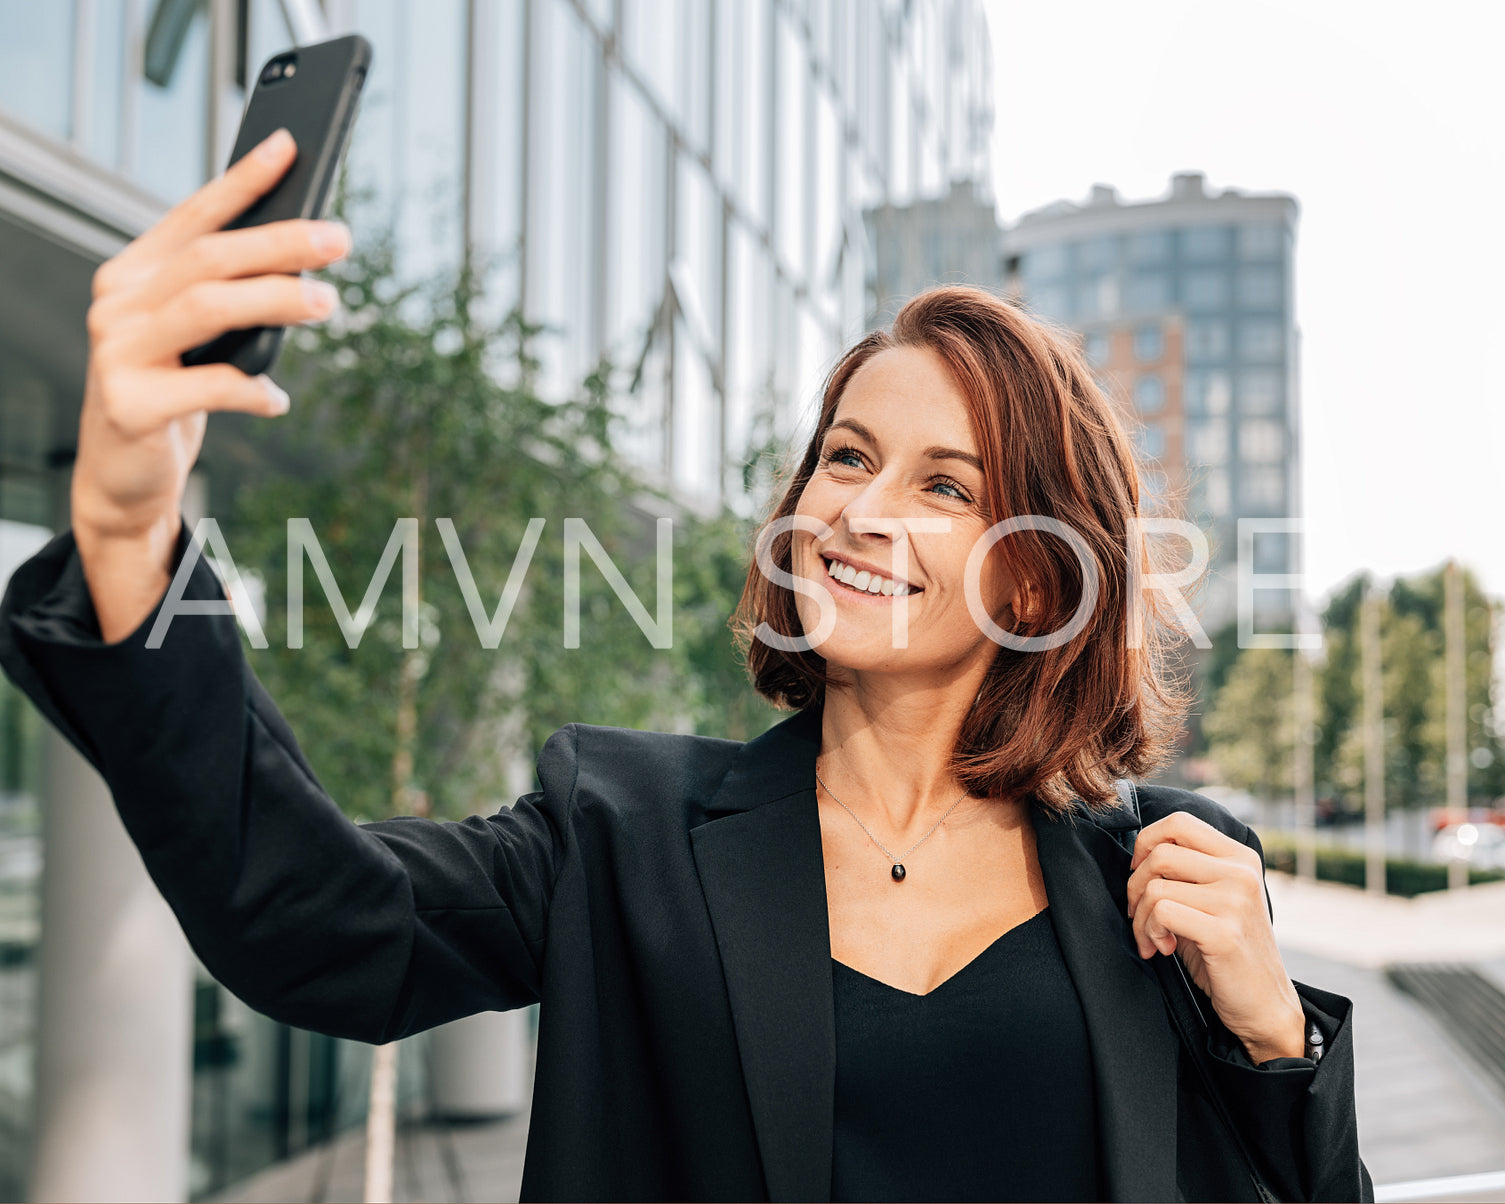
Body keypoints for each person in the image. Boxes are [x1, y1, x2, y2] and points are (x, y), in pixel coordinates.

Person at [0, 131, 1371, 1202]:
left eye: (945, 485)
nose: (862, 508)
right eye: (847, 456)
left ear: (1034, 571)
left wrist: (1268, 1033)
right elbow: (308, 924)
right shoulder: (623, 833)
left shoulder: (1163, 884)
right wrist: (128, 532)